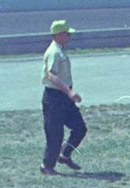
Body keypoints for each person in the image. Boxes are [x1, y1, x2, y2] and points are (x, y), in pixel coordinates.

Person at [40, 20, 87, 176]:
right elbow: (51, 75)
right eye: (67, 33)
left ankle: (64, 155)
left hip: (64, 97)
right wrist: (70, 92)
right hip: (54, 97)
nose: (70, 36)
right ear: (59, 35)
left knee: (79, 127)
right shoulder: (54, 52)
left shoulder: (60, 50)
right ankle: (47, 166)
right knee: (55, 133)